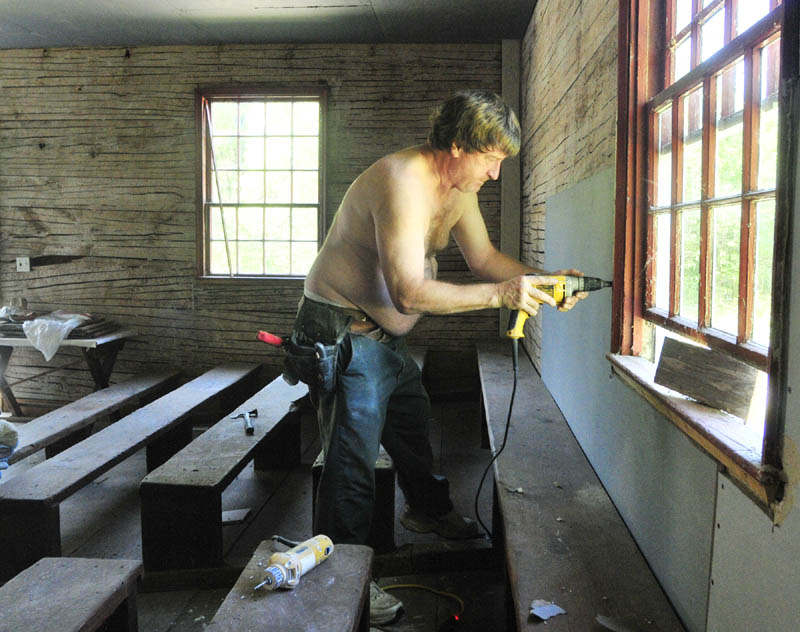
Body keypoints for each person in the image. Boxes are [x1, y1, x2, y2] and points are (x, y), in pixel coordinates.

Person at [285, 89, 585, 626]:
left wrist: (543, 281)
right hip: (343, 330)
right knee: (352, 461)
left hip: (386, 336)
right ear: (455, 145)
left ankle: (428, 511)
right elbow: (408, 293)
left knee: (412, 419)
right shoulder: (401, 182)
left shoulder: (459, 189)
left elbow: (486, 258)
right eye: (490, 159)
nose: (495, 174)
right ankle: (344, 582)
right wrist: (501, 296)